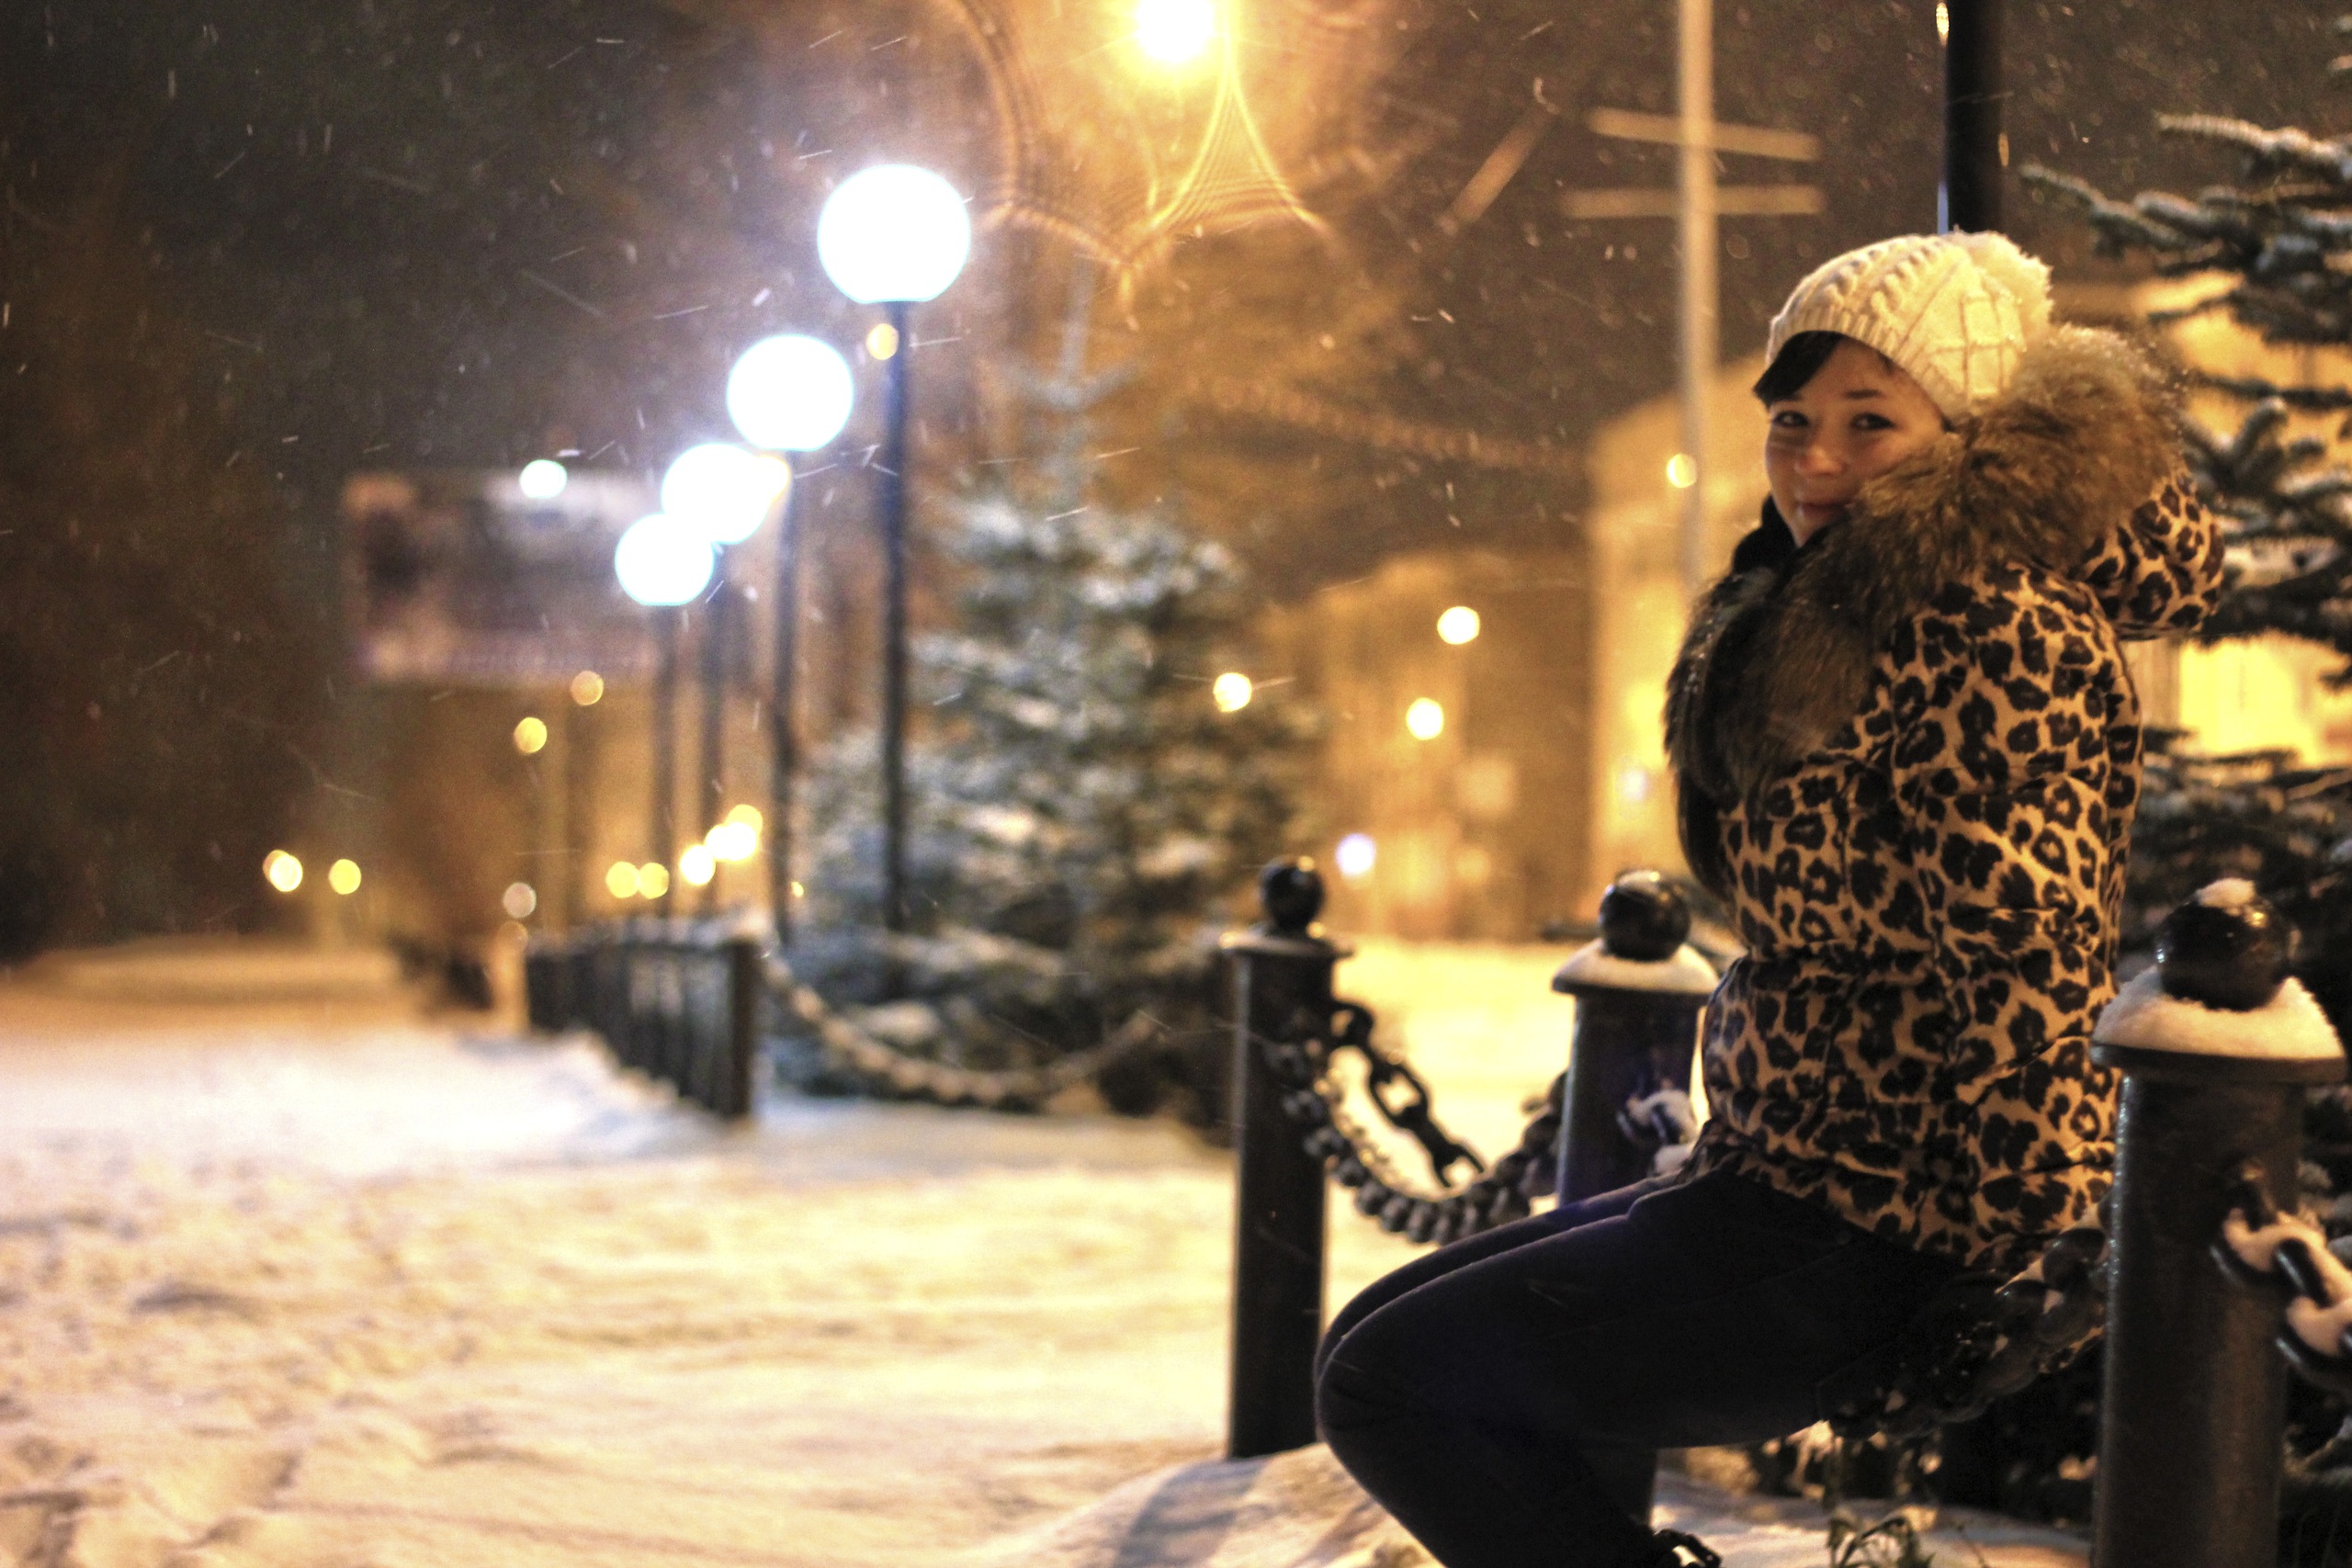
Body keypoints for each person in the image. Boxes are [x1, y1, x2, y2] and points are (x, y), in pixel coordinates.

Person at [1313, 231, 2226, 1568]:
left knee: (1390, 1385)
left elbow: (2027, 945)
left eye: (1872, 421)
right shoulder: (1839, 608)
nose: (1816, 460)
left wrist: (2038, 1251)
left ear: (1971, 435)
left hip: (1878, 1222)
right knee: (1375, 1353)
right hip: (1778, 1178)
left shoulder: (1993, 624)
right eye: (1792, 421)